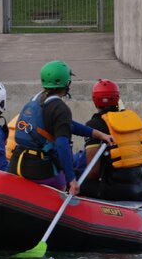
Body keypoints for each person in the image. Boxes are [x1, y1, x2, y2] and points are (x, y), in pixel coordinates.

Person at [9, 60, 114, 195]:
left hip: (16, 162)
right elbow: (62, 144)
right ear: (66, 82)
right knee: (62, 181)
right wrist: (71, 180)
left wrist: (98, 134)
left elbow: (68, 124)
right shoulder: (60, 108)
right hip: (38, 169)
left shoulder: (35, 99)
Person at [78, 79, 142, 201]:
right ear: (117, 98)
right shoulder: (132, 120)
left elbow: (93, 172)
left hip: (117, 191)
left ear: (94, 100)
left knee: (73, 177)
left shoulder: (94, 124)